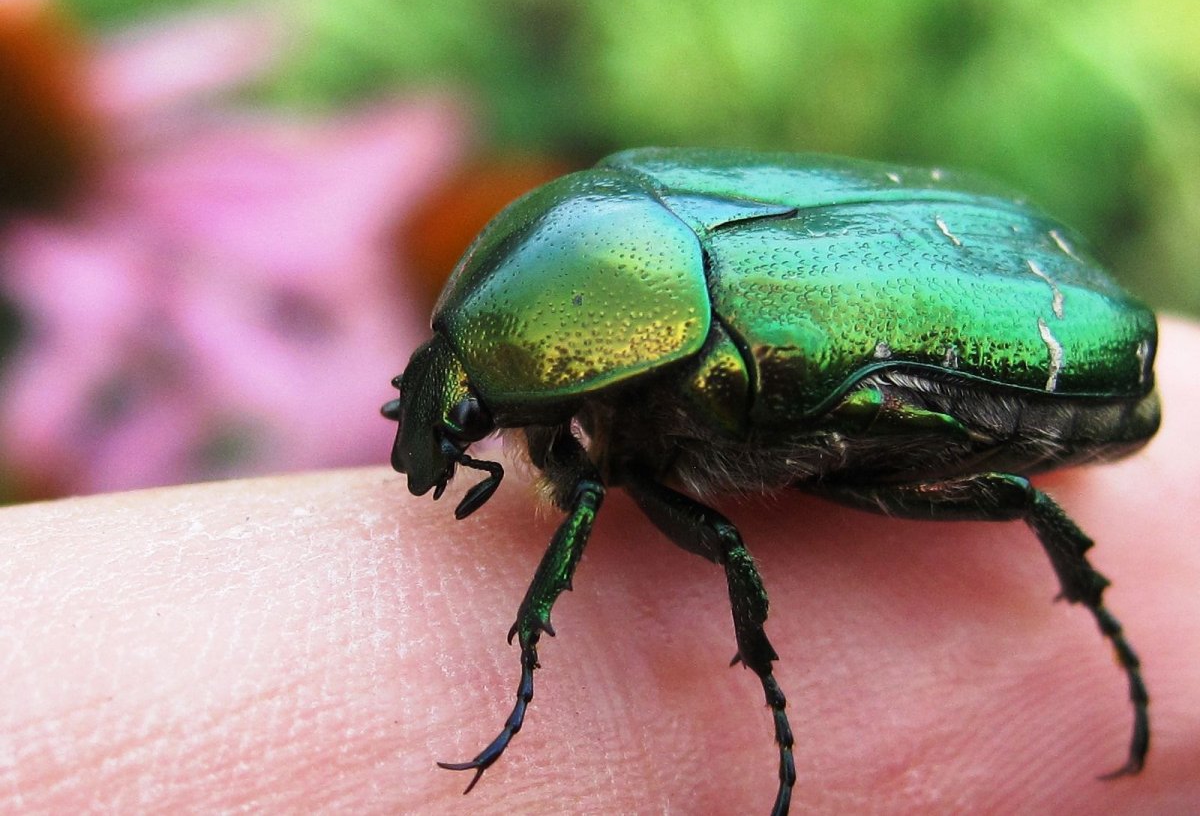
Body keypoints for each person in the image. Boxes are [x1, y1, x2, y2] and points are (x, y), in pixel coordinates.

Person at [1, 318, 1196, 813]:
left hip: (1050, 367)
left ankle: (1096, 614)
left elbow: (685, 524)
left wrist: (526, 648)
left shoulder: (661, 381)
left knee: (987, 497)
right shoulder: (601, 304)